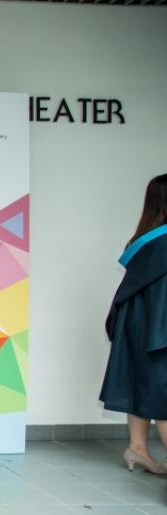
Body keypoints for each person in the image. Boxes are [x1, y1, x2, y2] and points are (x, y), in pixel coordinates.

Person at [100, 173, 167, 476]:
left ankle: (137, 449)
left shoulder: (143, 241)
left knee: (142, 383)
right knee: (162, 395)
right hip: (160, 329)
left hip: (138, 326)